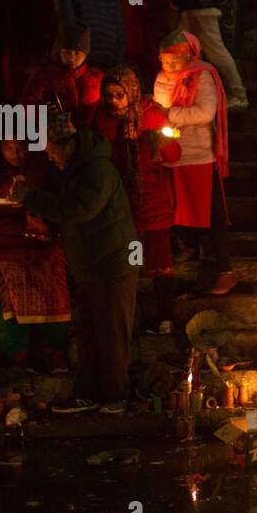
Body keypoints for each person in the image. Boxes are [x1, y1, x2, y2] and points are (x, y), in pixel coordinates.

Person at [9, 112, 136, 414]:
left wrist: (32, 198)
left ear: (66, 145)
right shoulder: (72, 170)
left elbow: (80, 209)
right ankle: (89, 393)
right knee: (89, 332)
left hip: (112, 261)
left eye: (51, 149)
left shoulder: (98, 169)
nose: (49, 157)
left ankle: (116, 396)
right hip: (87, 264)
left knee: (111, 333)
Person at [0, 137, 72, 370]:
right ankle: (15, 351)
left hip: (39, 241)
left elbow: (61, 194)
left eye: (20, 145)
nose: (15, 152)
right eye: (8, 147)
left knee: (51, 294)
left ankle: (54, 351)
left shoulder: (45, 162)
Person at [91, 64, 178, 333]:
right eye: (109, 95)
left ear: (131, 92)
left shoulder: (151, 115)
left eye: (119, 95)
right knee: (131, 262)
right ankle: (132, 317)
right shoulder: (100, 119)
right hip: (120, 205)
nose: (114, 101)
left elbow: (173, 155)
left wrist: (161, 143)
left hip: (152, 201)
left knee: (159, 263)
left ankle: (167, 317)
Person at [153, 30, 237, 296]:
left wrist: (171, 115)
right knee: (176, 208)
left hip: (200, 154)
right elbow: (157, 110)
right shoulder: (161, 78)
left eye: (176, 62)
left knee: (210, 213)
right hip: (172, 153)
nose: (170, 67)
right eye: (166, 62)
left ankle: (225, 270)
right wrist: (164, 120)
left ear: (189, 57)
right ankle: (189, 246)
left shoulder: (202, 75)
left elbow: (205, 112)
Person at [20, 22, 105, 130]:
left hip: (88, 139)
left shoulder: (96, 78)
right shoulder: (46, 74)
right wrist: (42, 112)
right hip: (56, 136)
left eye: (77, 53)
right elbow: (25, 106)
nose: (72, 57)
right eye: (67, 51)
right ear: (59, 51)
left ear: (86, 53)